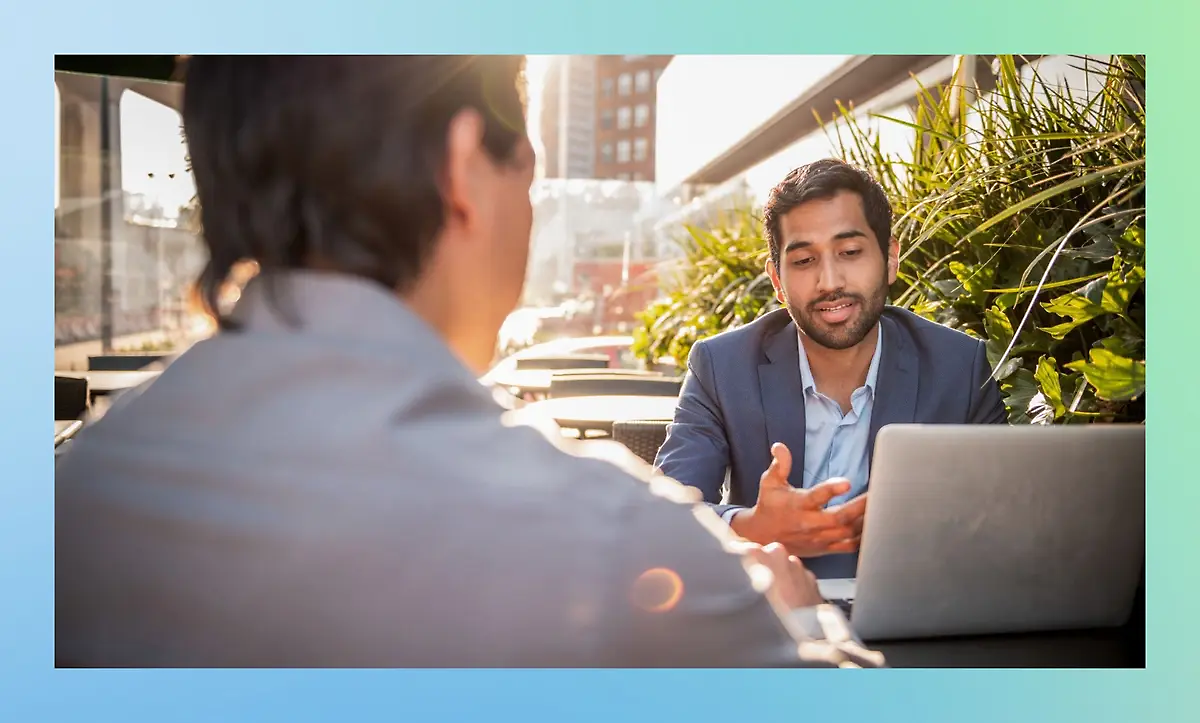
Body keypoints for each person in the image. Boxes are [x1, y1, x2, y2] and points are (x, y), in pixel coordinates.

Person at [54, 56, 883, 668]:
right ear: (462, 167)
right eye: (525, 169)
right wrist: (799, 623)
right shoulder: (611, 545)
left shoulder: (63, 499)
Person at [654, 159, 1007, 580]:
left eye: (850, 252)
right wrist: (749, 528)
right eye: (804, 260)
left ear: (890, 258)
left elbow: (1000, 521)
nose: (829, 281)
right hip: (773, 615)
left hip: (914, 610)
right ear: (778, 281)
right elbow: (665, 513)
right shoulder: (722, 366)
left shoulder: (961, 368)